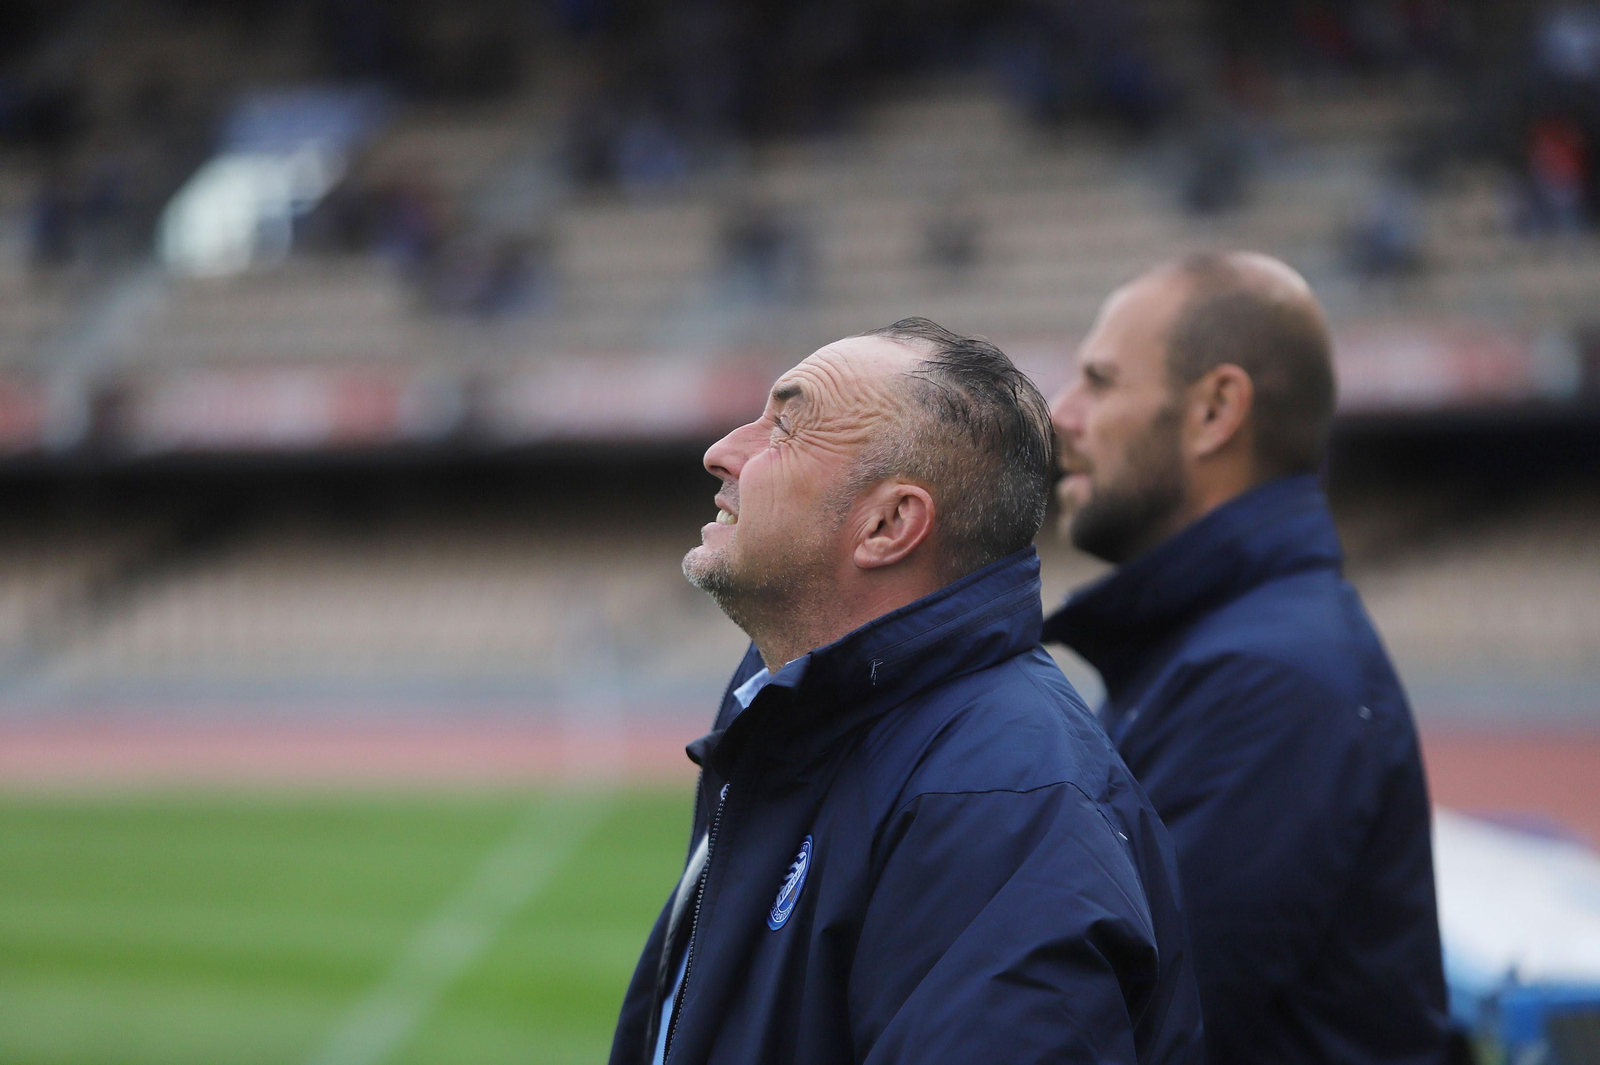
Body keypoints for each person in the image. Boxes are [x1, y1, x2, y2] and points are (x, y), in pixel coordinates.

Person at [610, 319, 1204, 1065]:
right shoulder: (798, 718)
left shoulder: (998, 800)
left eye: (785, 428)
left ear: (889, 525)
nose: (722, 450)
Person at [1043, 253, 1451, 1064]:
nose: (1062, 413)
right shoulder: (1211, 646)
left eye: (1100, 380)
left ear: (1215, 409)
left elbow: (1128, 1028)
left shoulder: (1266, 680)